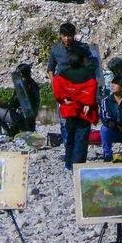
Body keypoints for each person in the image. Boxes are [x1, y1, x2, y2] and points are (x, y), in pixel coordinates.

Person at [47, 22, 99, 169]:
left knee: (80, 125)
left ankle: (74, 160)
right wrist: (56, 85)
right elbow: (50, 69)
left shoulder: (82, 48)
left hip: (81, 89)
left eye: (70, 36)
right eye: (64, 36)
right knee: (67, 124)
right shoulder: (56, 49)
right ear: (60, 36)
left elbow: (92, 67)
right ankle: (71, 158)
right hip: (64, 90)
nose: (67, 39)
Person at [0, 63, 41, 139]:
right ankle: (9, 132)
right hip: (30, 120)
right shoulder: (33, 84)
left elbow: (12, 105)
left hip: (22, 119)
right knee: (2, 110)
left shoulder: (23, 88)